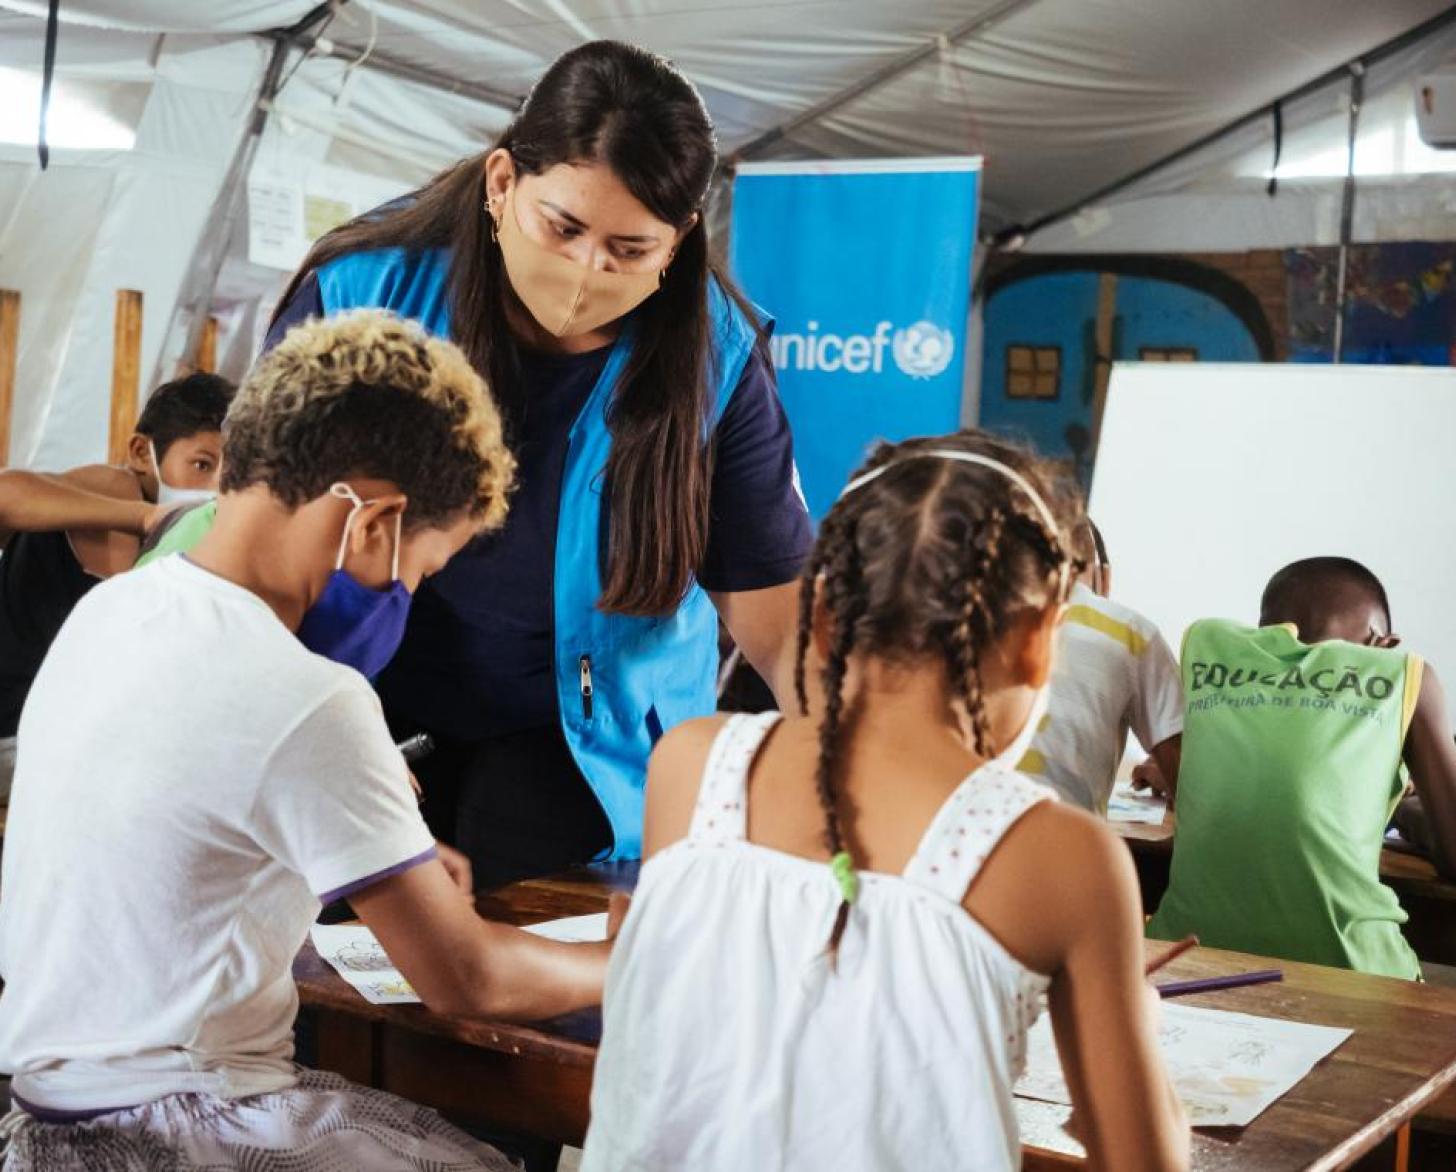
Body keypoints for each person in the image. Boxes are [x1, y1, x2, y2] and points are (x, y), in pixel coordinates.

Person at [156, 41, 812, 887]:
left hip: (586, 732)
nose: (586, 270)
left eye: (629, 249)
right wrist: (311, 730)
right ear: (503, 183)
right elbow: (253, 544)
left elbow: (782, 620)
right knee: (339, 953)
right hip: (354, 688)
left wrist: (859, 788)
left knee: (538, 930)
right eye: (563, 228)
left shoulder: (713, 355)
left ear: (679, 241)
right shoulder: (366, 289)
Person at [0, 312, 614, 1170]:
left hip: (48, 1126)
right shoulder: (306, 694)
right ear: (373, 524)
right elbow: (468, 978)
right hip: (182, 1125)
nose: (407, 596)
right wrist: (642, 959)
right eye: (420, 572)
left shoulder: (115, 609)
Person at [583, 431, 1188, 1172]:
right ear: (1039, 644)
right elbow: (1144, 1160)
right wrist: (1136, 1022)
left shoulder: (692, 763)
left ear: (825, 616)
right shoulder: (1063, 857)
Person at [1147, 557, 1456, 979]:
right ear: (1383, 644)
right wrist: (1403, 807)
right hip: (1350, 972)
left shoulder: (1211, 647)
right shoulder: (1401, 674)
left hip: (1185, 957)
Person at [0, 372, 232, 798]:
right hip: (20, 738)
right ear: (143, 453)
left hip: (53, 742)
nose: (216, 487)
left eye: (231, 473)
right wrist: (140, 517)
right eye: (201, 464)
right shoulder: (116, 489)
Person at [1018, 518, 1183, 813]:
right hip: (1068, 844)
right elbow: (1192, 789)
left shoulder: (972, 625)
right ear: (1104, 577)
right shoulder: (1132, 632)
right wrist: (1166, 775)